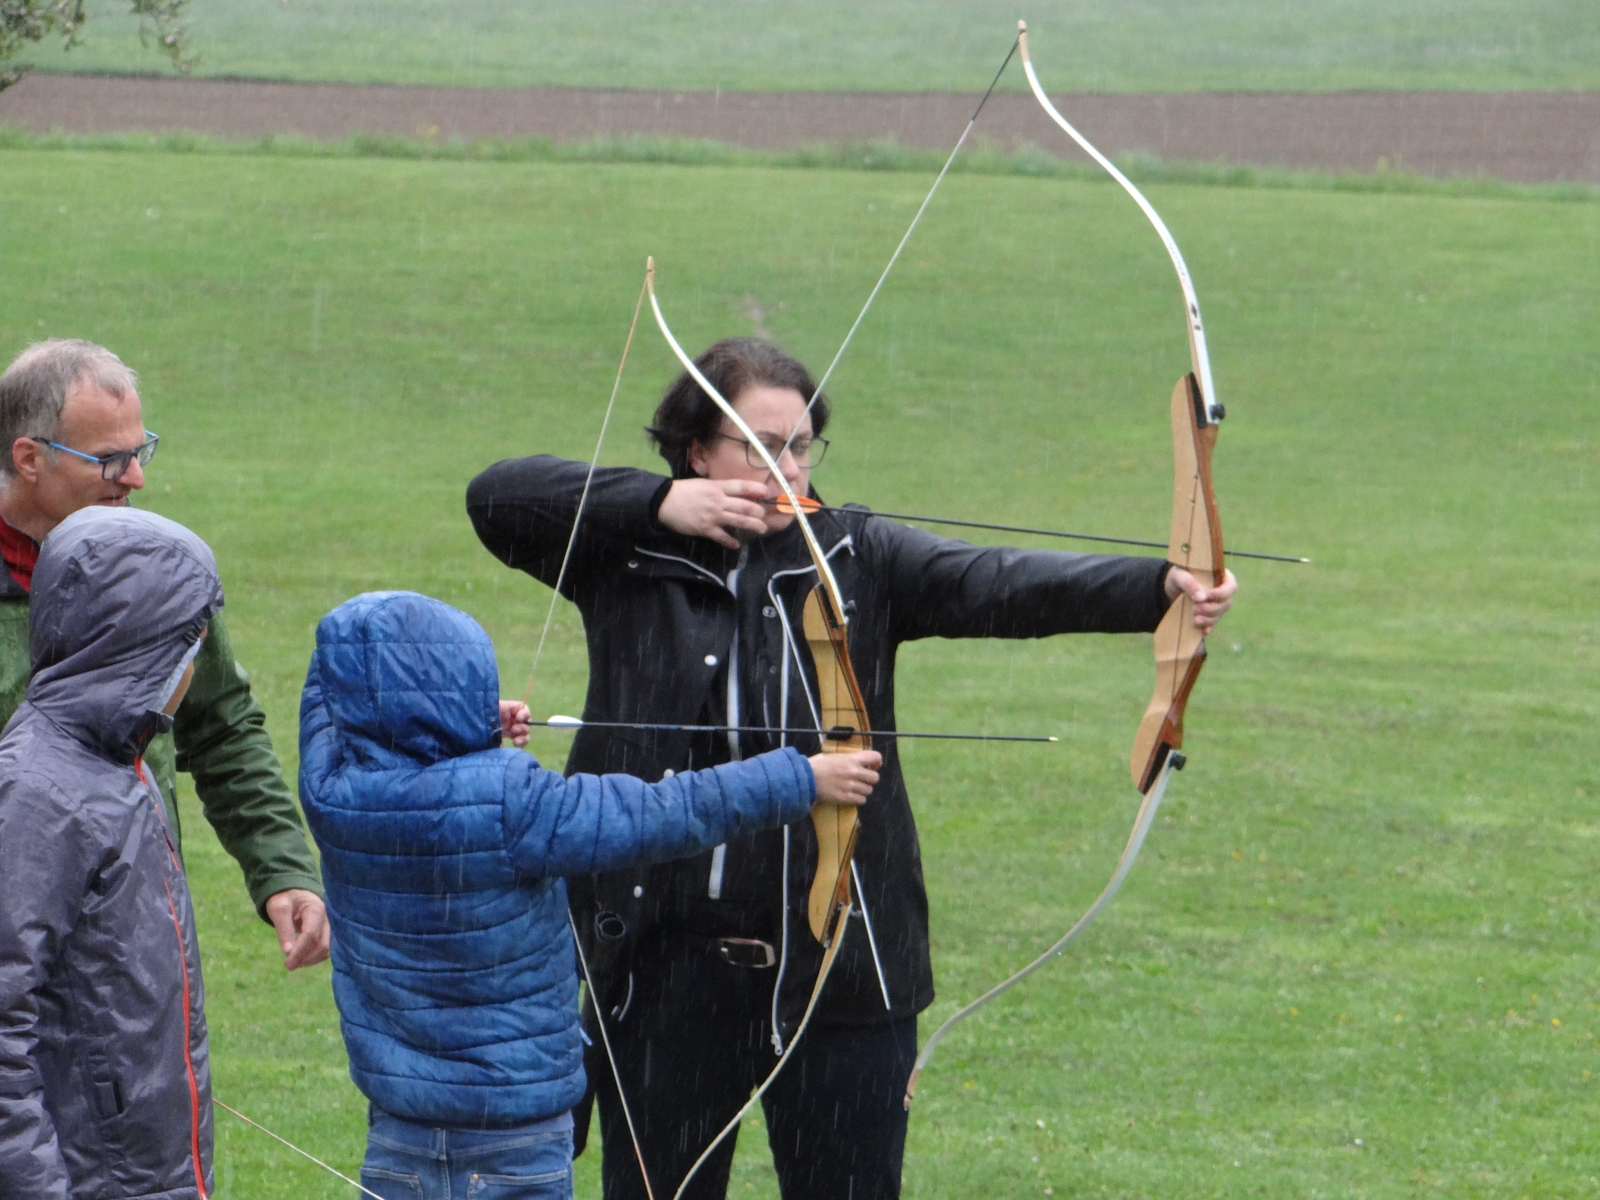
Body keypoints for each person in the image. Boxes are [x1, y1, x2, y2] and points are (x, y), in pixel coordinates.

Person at [466, 337, 1238, 1200]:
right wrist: (659, 505)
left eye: (801, 446)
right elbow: (496, 496)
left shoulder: (857, 555)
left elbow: (1000, 582)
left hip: (844, 968)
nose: (789, 467)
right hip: (664, 973)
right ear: (698, 452)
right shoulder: (629, 555)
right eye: (762, 447)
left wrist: (1159, 587)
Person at [297, 590, 881, 1199]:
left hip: (399, 1133)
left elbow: (329, 696)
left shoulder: (330, 789)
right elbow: (665, 811)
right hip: (515, 1139)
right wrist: (801, 776)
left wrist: (462, 721)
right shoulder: (513, 803)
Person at [0, 339, 328, 969]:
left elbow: (223, 725)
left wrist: (282, 869)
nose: (136, 478)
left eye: (140, 451)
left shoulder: (156, 572)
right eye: (110, 460)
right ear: (29, 458)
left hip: (140, 936)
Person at [0, 506, 224, 1198]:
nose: (193, 671)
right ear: (143, 655)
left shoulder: (117, 763)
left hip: (144, 1173)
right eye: (189, 649)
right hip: (90, 1178)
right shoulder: (39, 794)